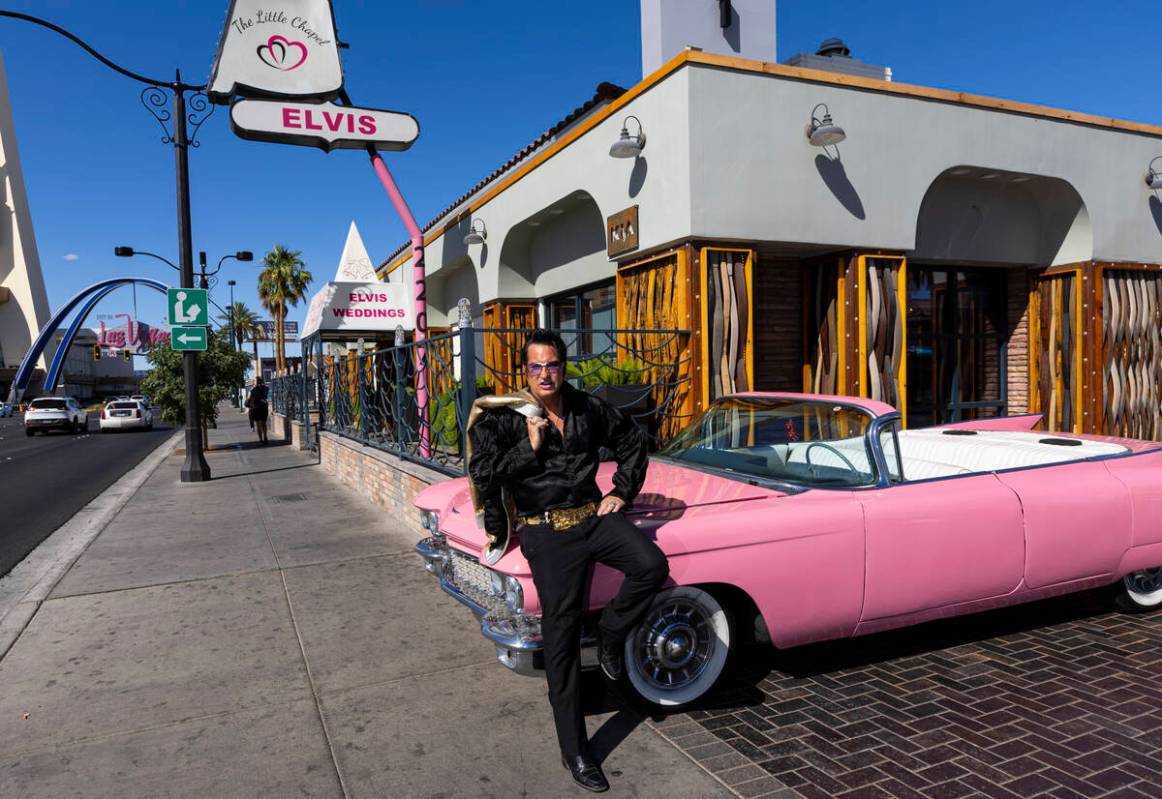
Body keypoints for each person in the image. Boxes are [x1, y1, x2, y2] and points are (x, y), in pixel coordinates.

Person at [468, 329, 669, 793]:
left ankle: (612, 636)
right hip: (546, 532)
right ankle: (576, 751)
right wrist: (529, 448)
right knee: (560, 637)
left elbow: (633, 441)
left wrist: (621, 490)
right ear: (525, 371)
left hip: (593, 517)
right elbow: (482, 472)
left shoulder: (586, 406)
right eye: (536, 366)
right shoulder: (504, 418)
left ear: (563, 365)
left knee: (651, 566)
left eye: (553, 364)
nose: (545, 374)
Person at [248, 376, 269, 444]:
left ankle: (260, 439)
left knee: (258, 424)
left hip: (256, 408)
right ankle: (265, 437)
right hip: (264, 407)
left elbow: (250, 399)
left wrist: (251, 407)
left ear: (256, 382)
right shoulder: (266, 388)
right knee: (264, 424)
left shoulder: (253, 390)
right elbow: (266, 395)